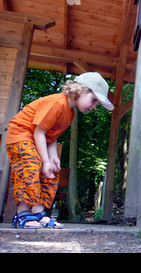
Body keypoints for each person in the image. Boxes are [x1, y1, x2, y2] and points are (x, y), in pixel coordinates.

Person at [6, 72, 114, 229]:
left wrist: (52, 158)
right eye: (94, 100)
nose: (94, 106)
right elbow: (39, 131)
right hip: (21, 134)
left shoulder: (69, 114)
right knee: (30, 165)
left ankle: (38, 212)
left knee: (52, 171)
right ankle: (22, 213)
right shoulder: (57, 103)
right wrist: (45, 160)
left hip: (38, 138)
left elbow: (51, 135)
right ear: (82, 90)